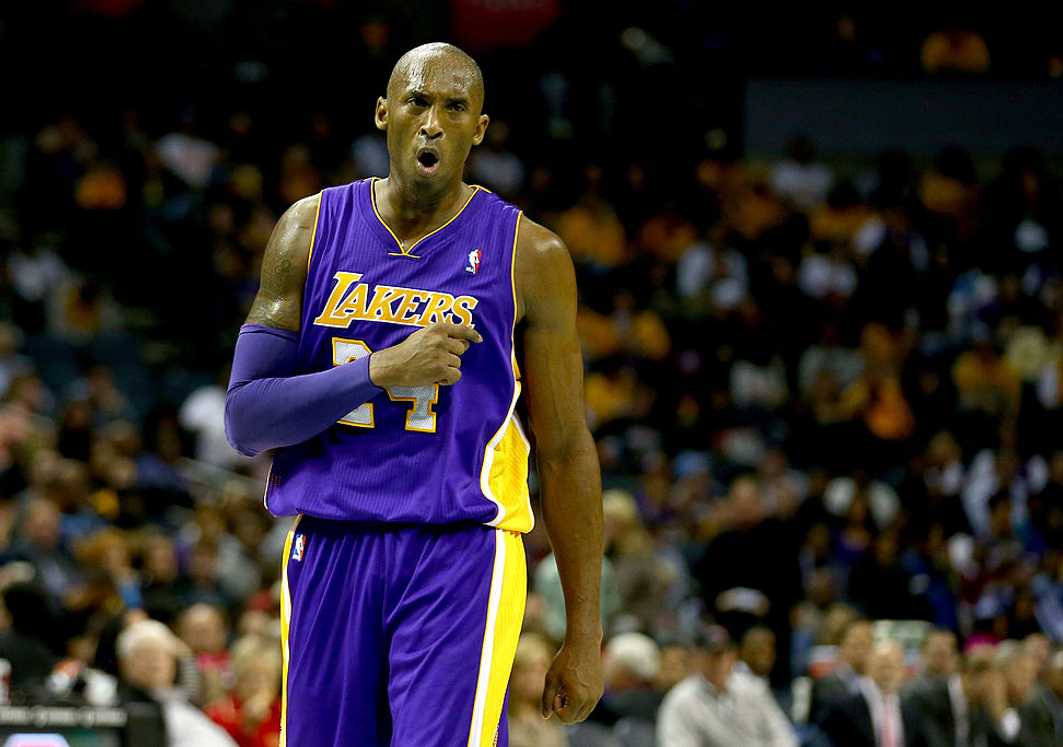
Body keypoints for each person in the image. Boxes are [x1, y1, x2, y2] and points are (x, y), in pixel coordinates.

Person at [223, 42, 603, 746]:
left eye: (454, 107)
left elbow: (567, 449)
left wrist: (585, 633)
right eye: (417, 101)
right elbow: (245, 418)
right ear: (383, 114)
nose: (433, 122)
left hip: (458, 549)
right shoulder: (308, 230)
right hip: (329, 541)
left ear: (479, 130)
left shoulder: (531, 256)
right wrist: (377, 371)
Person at [656, 625, 796, 747]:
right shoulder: (681, 699)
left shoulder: (753, 689)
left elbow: (783, 736)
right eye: (712, 656)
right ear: (698, 658)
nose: (719, 662)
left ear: (733, 656)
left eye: (723, 655)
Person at [116, 619, 237, 747]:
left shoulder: (184, 700)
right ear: (125, 663)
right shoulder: (122, 706)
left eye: (162, 653)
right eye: (145, 654)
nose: (154, 661)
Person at [821, 639, 929, 747]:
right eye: (882, 666)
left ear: (902, 671)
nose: (887, 673)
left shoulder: (912, 711)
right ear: (868, 667)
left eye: (892, 667)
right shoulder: (844, 708)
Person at [902, 629, 966, 747]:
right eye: (937, 653)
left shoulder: (965, 690)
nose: (942, 656)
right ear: (923, 654)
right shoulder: (912, 692)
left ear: (956, 656)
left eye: (947, 652)